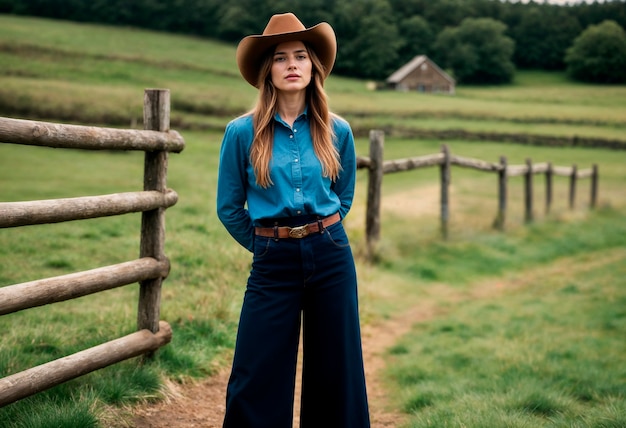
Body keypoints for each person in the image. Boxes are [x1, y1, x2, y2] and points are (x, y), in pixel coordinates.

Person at [216, 12, 370, 428]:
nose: (292, 65)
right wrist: (266, 242)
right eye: (281, 58)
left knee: (337, 368)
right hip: (272, 259)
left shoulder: (338, 131)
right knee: (256, 369)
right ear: (268, 70)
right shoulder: (241, 133)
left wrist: (320, 234)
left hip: (331, 255)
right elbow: (229, 208)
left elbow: (345, 195)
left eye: (300, 56)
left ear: (313, 67)